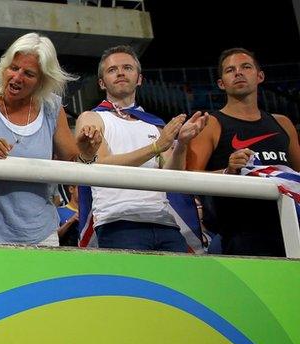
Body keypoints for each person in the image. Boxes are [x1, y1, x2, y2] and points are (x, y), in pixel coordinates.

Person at [0, 33, 101, 246]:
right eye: (13, 68)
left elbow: (72, 163)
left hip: (42, 235)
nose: (17, 77)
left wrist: (86, 152)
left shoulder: (52, 107)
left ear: (42, 81)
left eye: (29, 74)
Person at [74, 45, 208, 252]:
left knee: (180, 283)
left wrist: (181, 143)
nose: (120, 72)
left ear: (139, 79)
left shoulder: (155, 124)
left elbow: (172, 177)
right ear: (101, 83)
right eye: (112, 70)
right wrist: (156, 146)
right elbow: (99, 165)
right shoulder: (91, 118)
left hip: (164, 221)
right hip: (118, 221)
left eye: (127, 67)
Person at [187, 48, 300, 257]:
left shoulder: (283, 123)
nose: (238, 73)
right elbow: (187, 180)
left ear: (260, 76)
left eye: (245, 67)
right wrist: (228, 172)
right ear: (221, 83)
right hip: (240, 234)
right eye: (230, 70)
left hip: (290, 228)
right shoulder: (211, 124)